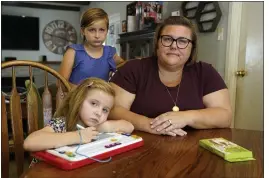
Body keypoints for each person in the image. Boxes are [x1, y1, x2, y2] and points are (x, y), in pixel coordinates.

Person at [108, 16, 232, 137]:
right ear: (157, 43)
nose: (174, 46)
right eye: (167, 39)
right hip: (142, 147)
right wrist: (150, 125)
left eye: (182, 41)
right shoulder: (133, 69)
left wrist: (186, 117)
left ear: (192, 48)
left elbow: (224, 116)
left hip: (193, 149)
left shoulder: (205, 72)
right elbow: (113, 110)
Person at [23, 77, 134, 153]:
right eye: (93, 103)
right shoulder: (62, 123)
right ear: (79, 101)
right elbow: (29, 142)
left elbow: (129, 127)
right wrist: (78, 136)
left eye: (105, 110)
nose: (99, 113)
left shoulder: (98, 125)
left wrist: (103, 127)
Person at [59, 8, 125, 88]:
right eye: (92, 30)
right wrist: (86, 92)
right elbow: (60, 83)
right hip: (76, 99)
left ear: (107, 31)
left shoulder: (110, 52)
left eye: (102, 30)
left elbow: (126, 66)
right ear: (83, 31)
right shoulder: (73, 52)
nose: (97, 35)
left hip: (101, 98)